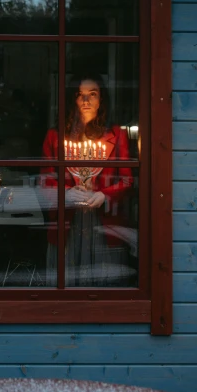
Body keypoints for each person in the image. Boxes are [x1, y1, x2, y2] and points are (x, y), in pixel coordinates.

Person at [42, 74, 133, 286]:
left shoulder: (116, 135)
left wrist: (104, 194)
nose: (86, 101)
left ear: (101, 100)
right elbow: (45, 180)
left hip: (104, 221)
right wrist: (65, 193)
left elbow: (128, 181)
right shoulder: (55, 136)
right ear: (72, 100)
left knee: (105, 281)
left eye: (92, 94)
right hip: (68, 221)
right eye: (80, 95)